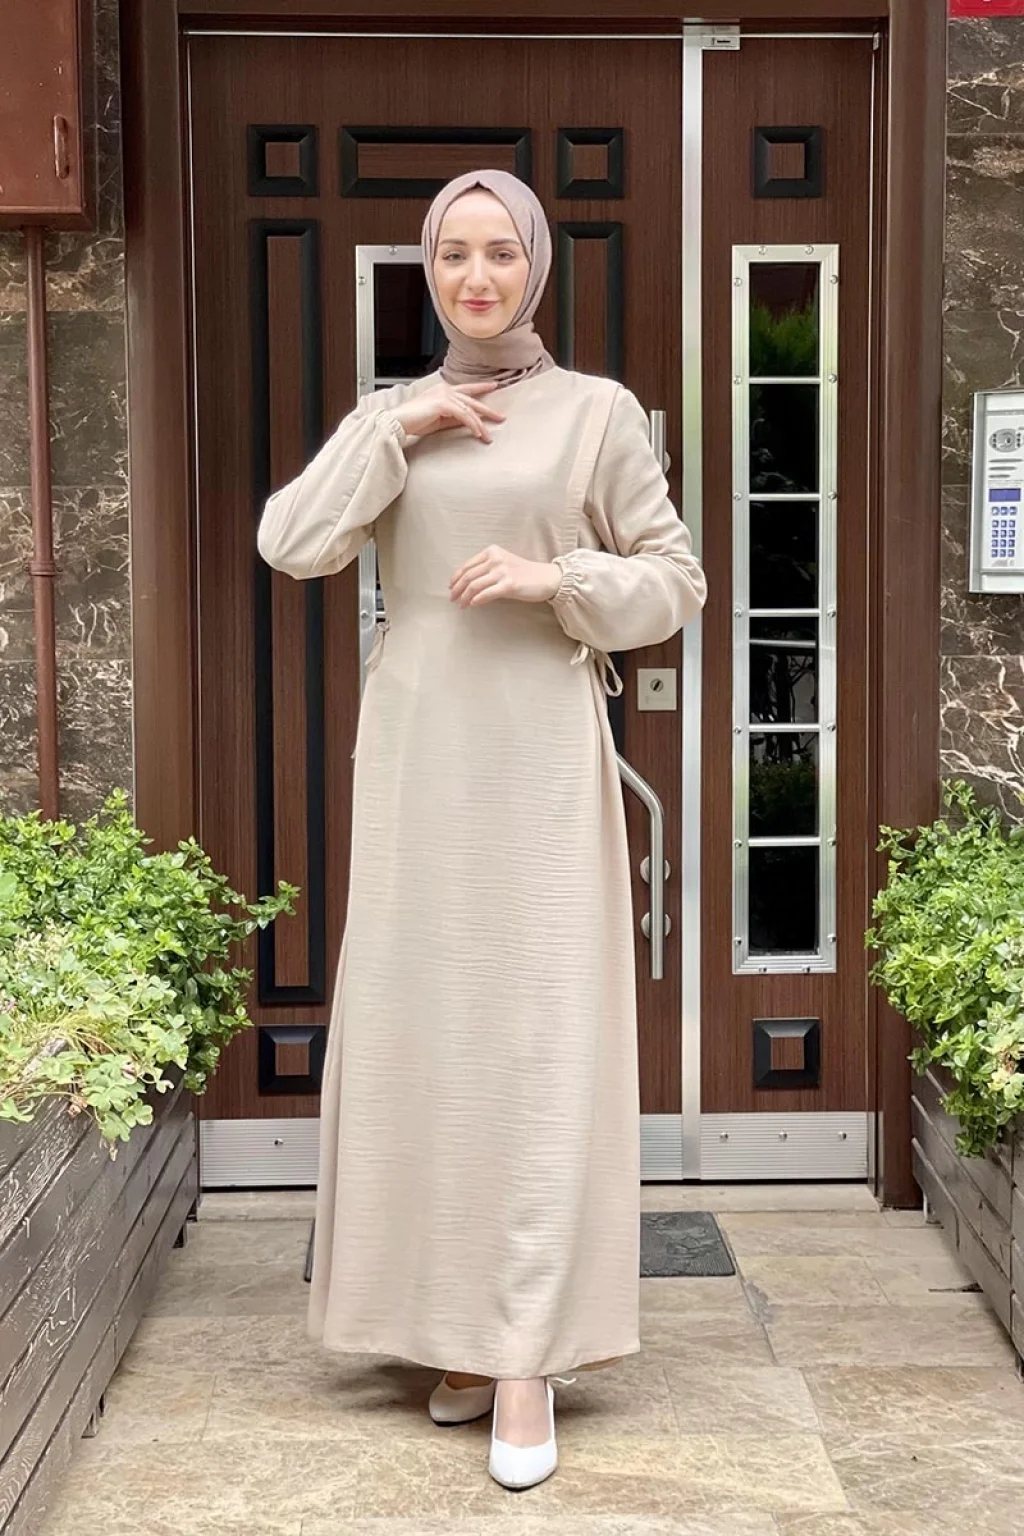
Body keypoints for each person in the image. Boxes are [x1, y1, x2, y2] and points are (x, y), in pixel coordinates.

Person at [257, 169, 707, 1490]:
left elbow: (675, 581)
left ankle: (525, 1356)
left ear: (536, 266)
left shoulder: (597, 413)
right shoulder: (390, 417)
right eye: (451, 253)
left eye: (500, 251)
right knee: (432, 1040)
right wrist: (399, 429)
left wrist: (552, 575)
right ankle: (456, 1330)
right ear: (427, 268)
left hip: (539, 759)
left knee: (538, 1040)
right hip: (417, 758)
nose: (475, 276)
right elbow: (291, 541)